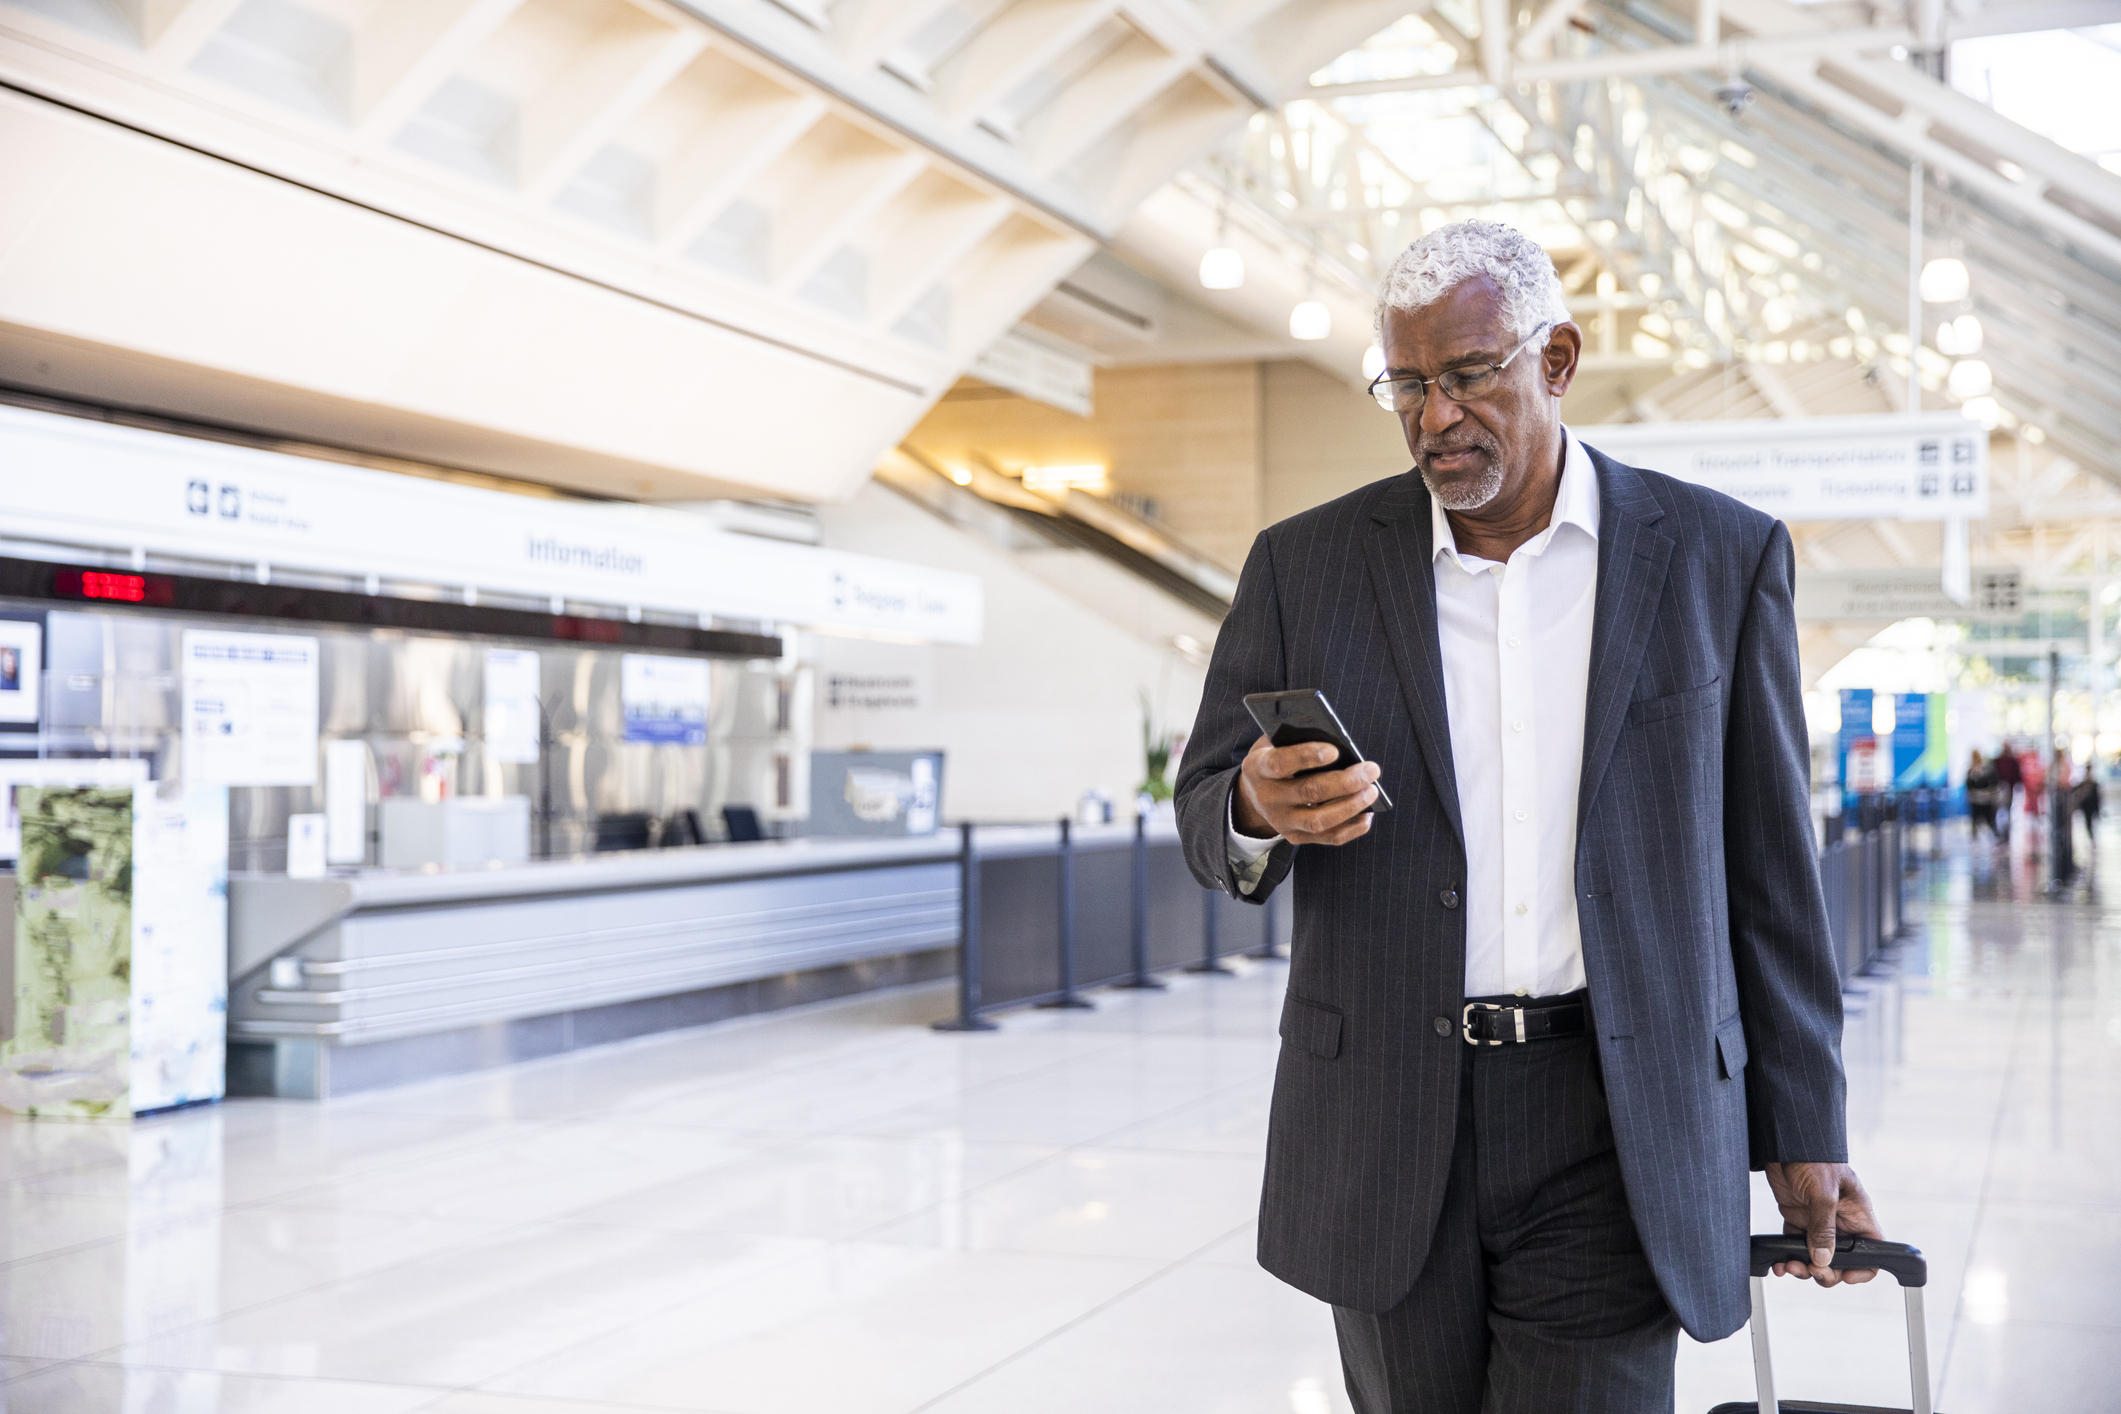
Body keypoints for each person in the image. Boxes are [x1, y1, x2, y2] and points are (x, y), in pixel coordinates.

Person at [1175, 220, 1877, 1413]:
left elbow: (1769, 871)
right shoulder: (1308, 566)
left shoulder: (1716, 557)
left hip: (1614, 1115)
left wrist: (1802, 1123)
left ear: (1555, 359)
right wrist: (1253, 803)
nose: (1433, 417)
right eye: (1406, 384)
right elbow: (1203, 808)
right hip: (1389, 1114)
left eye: (1465, 376)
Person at [1966, 749, 2002, 842]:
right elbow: (1969, 784)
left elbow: (1993, 782)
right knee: (1975, 820)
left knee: (1990, 819)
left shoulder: (1986, 769)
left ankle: (1995, 837)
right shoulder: (1971, 770)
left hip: (1987, 799)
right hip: (1975, 800)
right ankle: (1975, 838)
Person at [1993, 742, 2022, 841]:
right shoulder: (1998, 761)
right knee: (1999, 809)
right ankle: (2000, 828)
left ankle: (2004, 828)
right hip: (2000, 789)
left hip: (2008, 788)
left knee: (2005, 809)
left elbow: (2017, 776)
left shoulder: (2011, 761)